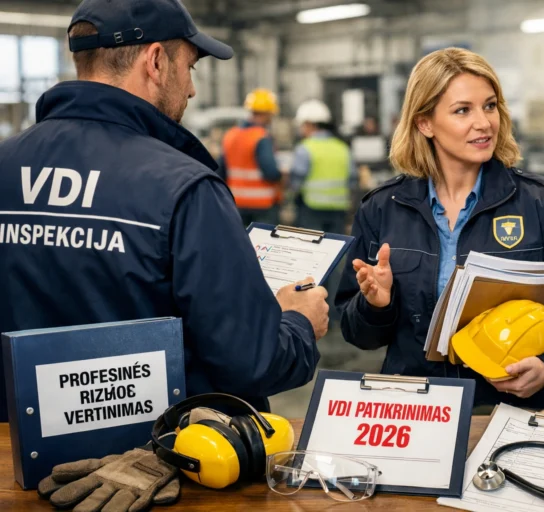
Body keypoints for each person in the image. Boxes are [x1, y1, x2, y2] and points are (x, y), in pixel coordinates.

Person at [0, 0, 329, 422]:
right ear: (156, 61)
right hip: (158, 461)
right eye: (189, 67)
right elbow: (251, 363)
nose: (191, 89)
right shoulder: (184, 187)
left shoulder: (6, 165)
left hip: (13, 455)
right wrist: (298, 323)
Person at [335, 48, 544, 409]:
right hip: (417, 411)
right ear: (425, 123)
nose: (484, 122)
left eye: (490, 106)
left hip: (511, 412)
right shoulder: (384, 208)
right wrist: (377, 305)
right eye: (463, 110)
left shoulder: (539, 202)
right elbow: (357, 333)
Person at [290, 99, 357, 235]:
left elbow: (296, 181)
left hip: (311, 208)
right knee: (336, 249)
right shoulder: (342, 148)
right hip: (338, 209)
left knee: (312, 250)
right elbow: (353, 179)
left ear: (310, 124)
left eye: (303, 125)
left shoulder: (305, 148)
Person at [219, 88, 284, 226]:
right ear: (266, 114)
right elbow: (270, 172)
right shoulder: (261, 137)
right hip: (262, 205)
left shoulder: (230, 135)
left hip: (235, 203)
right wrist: (281, 176)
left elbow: (221, 171)